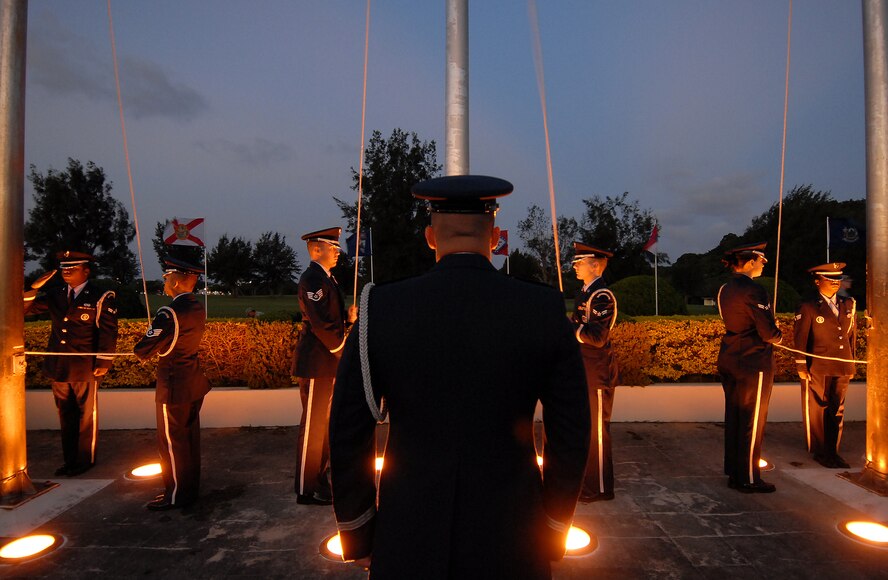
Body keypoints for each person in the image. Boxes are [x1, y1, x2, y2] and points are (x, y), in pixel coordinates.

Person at [329, 175, 591, 578]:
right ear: (495, 235)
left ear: (430, 236)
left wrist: (359, 533)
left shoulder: (383, 307)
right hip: (513, 533)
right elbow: (571, 428)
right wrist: (554, 528)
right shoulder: (540, 307)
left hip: (409, 531)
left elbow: (349, 427)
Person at [24, 250, 118, 477]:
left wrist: (104, 361)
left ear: (86, 271)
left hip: (84, 365)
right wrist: (34, 288)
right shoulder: (55, 294)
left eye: (72, 268)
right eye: (64, 268)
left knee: (86, 417)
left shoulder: (100, 296)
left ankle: (85, 460)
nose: (67, 271)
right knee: (65, 415)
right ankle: (70, 461)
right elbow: (23, 310)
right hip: (59, 365)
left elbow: (108, 332)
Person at [134, 257, 210, 511]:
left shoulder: (169, 312)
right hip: (192, 381)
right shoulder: (196, 307)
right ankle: (189, 489)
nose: (165, 281)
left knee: (172, 443)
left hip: (174, 385)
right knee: (189, 441)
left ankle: (176, 494)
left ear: (176, 280)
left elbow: (143, 349)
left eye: (167, 277)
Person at [291, 227, 356, 505]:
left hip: (325, 362)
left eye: (338, 248)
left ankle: (319, 477)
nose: (338, 252)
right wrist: (343, 352)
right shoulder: (313, 279)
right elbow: (320, 323)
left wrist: (347, 318)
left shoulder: (326, 278)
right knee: (314, 427)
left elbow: (331, 317)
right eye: (333, 247)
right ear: (317, 249)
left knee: (324, 424)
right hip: (319, 362)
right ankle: (307, 487)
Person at [717, 242, 782, 493]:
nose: (763, 264)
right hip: (753, 361)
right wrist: (778, 336)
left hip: (730, 355)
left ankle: (734, 470)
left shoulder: (725, 289)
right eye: (761, 260)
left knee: (734, 418)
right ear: (750, 261)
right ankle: (748, 478)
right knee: (752, 420)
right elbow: (767, 332)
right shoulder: (755, 290)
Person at [793, 262, 856, 468]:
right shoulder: (809, 306)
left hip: (841, 364)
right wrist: (801, 365)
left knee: (837, 409)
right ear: (817, 281)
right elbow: (801, 337)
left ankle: (832, 450)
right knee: (818, 408)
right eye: (830, 280)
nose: (835, 284)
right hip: (818, 364)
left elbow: (850, 337)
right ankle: (820, 450)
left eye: (838, 280)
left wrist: (851, 363)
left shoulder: (848, 304)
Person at [571, 242, 620, 502]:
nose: (576, 266)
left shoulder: (602, 296)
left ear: (595, 265)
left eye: (580, 262)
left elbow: (597, 337)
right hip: (586, 368)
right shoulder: (584, 293)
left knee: (597, 432)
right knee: (587, 428)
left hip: (598, 371)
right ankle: (589, 483)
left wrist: (570, 329)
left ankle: (599, 487)